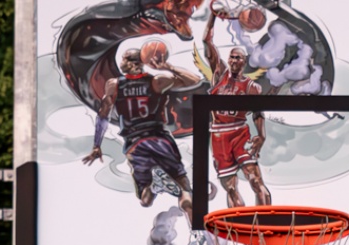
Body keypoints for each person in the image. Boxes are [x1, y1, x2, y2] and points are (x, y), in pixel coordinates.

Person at [83, 39, 202, 208]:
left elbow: (103, 115)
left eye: (124, 58)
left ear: (129, 63)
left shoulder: (114, 85)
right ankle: (193, 222)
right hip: (160, 140)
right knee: (184, 187)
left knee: (145, 200)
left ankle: (153, 187)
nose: (121, 61)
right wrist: (168, 67)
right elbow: (194, 80)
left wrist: (97, 145)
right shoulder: (157, 81)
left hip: (134, 144)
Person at [201, 8, 270, 207]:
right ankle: (240, 222)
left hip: (240, 133)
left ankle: (267, 219)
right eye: (231, 57)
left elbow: (258, 113)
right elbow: (206, 41)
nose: (233, 60)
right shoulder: (219, 75)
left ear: (244, 62)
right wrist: (213, 16)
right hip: (219, 136)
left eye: (238, 57)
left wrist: (261, 135)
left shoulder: (251, 87)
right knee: (230, 187)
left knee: (255, 179)